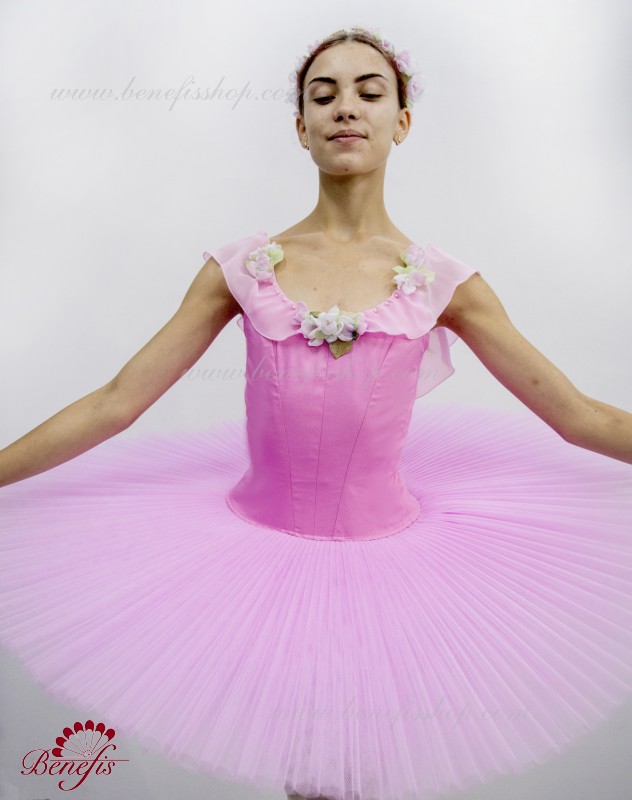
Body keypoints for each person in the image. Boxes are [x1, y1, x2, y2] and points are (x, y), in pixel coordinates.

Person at [1, 25, 631, 800]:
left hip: (390, 564)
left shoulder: (446, 283)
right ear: (300, 127)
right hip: (255, 554)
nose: (346, 108)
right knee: (309, 776)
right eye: (323, 94)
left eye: (370, 91)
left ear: (402, 121)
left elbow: (578, 416)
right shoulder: (241, 268)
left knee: (358, 773)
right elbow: (116, 401)